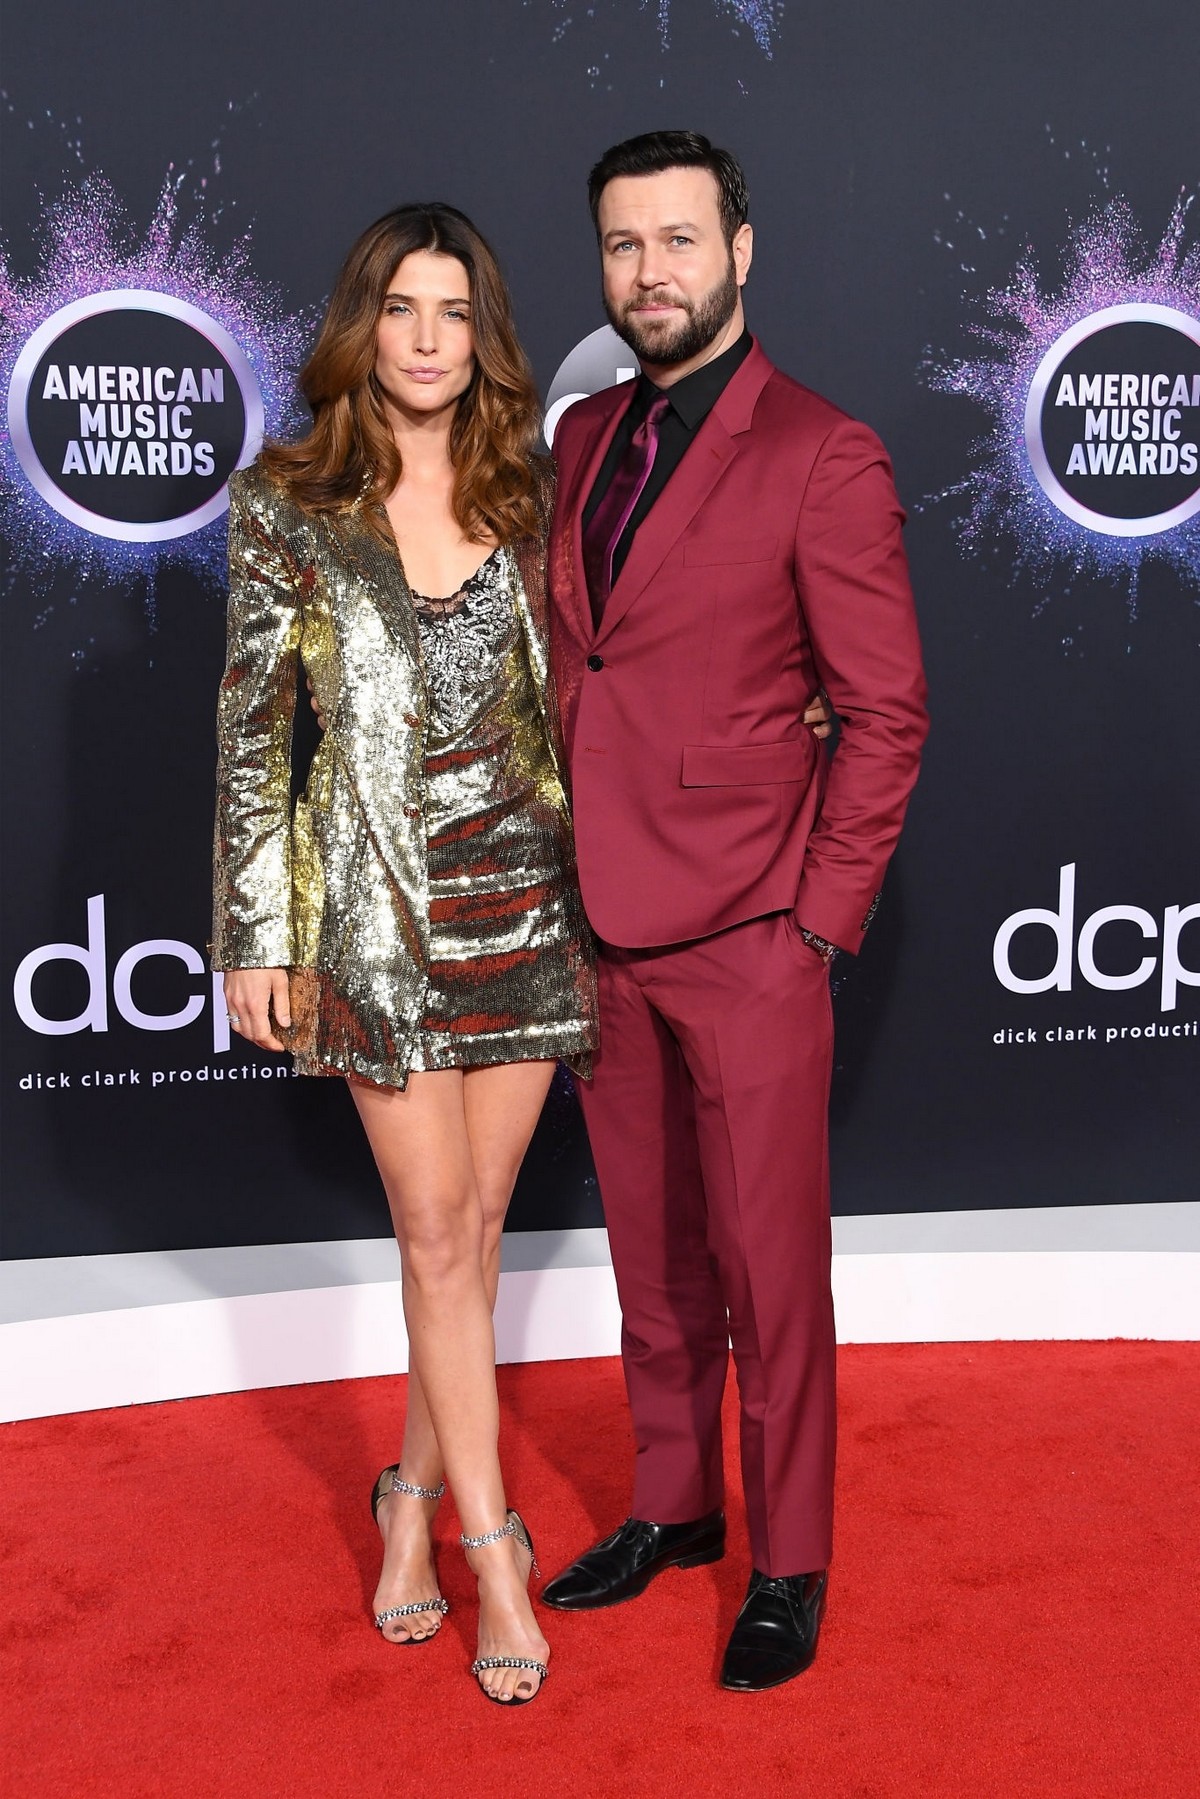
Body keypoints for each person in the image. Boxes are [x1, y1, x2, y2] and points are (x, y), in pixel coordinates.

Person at [540, 132, 929, 1691]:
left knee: (774, 1279)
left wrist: (817, 928)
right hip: (602, 933)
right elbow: (587, 669)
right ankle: (673, 1506)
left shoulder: (823, 453)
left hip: (756, 935)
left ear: (743, 251)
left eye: (681, 242)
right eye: (626, 247)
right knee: (655, 1257)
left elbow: (885, 715)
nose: (652, 274)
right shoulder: (579, 446)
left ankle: (792, 1562)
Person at [211, 203, 599, 1706]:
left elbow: (612, 682)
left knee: (483, 1223)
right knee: (438, 1233)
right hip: (376, 918)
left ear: (481, 334)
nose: (428, 338)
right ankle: (489, 1545)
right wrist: (258, 932)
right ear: (360, 325)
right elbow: (255, 744)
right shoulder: (288, 505)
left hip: (527, 900)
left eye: (455, 311)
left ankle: (403, 1496)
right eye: (402, 309)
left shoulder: (538, 490)